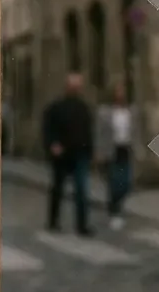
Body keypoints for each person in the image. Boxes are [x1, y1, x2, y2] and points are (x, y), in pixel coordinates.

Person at [42, 73, 94, 236]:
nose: (76, 89)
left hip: (80, 153)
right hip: (62, 154)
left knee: (81, 189)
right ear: (67, 87)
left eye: (78, 86)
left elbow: (88, 131)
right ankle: (53, 221)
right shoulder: (56, 107)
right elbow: (48, 129)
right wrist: (52, 145)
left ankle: (82, 225)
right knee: (58, 188)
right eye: (74, 86)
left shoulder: (84, 108)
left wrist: (90, 151)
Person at [96, 82, 136, 231]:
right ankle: (114, 212)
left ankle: (117, 205)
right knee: (114, 182)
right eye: (118, 92)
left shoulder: (131, 112)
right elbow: (99, 134)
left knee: (126, 183)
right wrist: (99, 153)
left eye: (123, 92)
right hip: (111, 151)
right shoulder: (105, 112)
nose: (121, 95)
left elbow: (136, 132)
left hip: (125, 149)